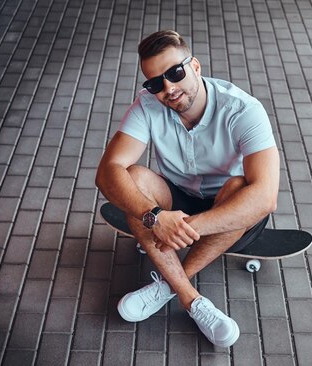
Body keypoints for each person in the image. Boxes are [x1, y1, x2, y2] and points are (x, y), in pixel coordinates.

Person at [95, 30, 279, 348]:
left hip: (229, 208)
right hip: (177, 196)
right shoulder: (147, 107)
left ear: (194, 66)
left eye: (175, 73)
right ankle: (190, 298)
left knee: (239, 185)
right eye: (155, 83)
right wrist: (153, 215)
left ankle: (167, 285)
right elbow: (107, 172)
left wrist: (176, 227)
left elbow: (265, 196)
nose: (168, 88)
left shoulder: (243, 110)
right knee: (135, 179)